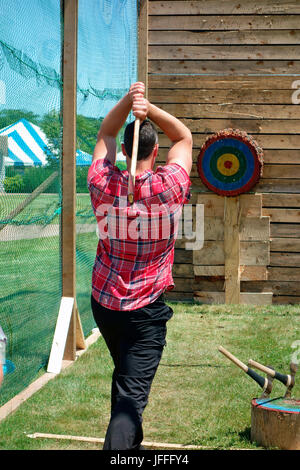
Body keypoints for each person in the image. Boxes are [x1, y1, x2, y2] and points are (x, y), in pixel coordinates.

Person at [88, 82, 192, 450]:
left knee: (126, 380)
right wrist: (148, 108)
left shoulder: (102, 181)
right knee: (131, 398)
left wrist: (128, 102)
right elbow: (184, 136)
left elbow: (106, 132)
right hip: (145, 312)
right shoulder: (170, 185)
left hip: (104, 305)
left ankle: (130, 444)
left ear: (124, 148)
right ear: (156, 150)